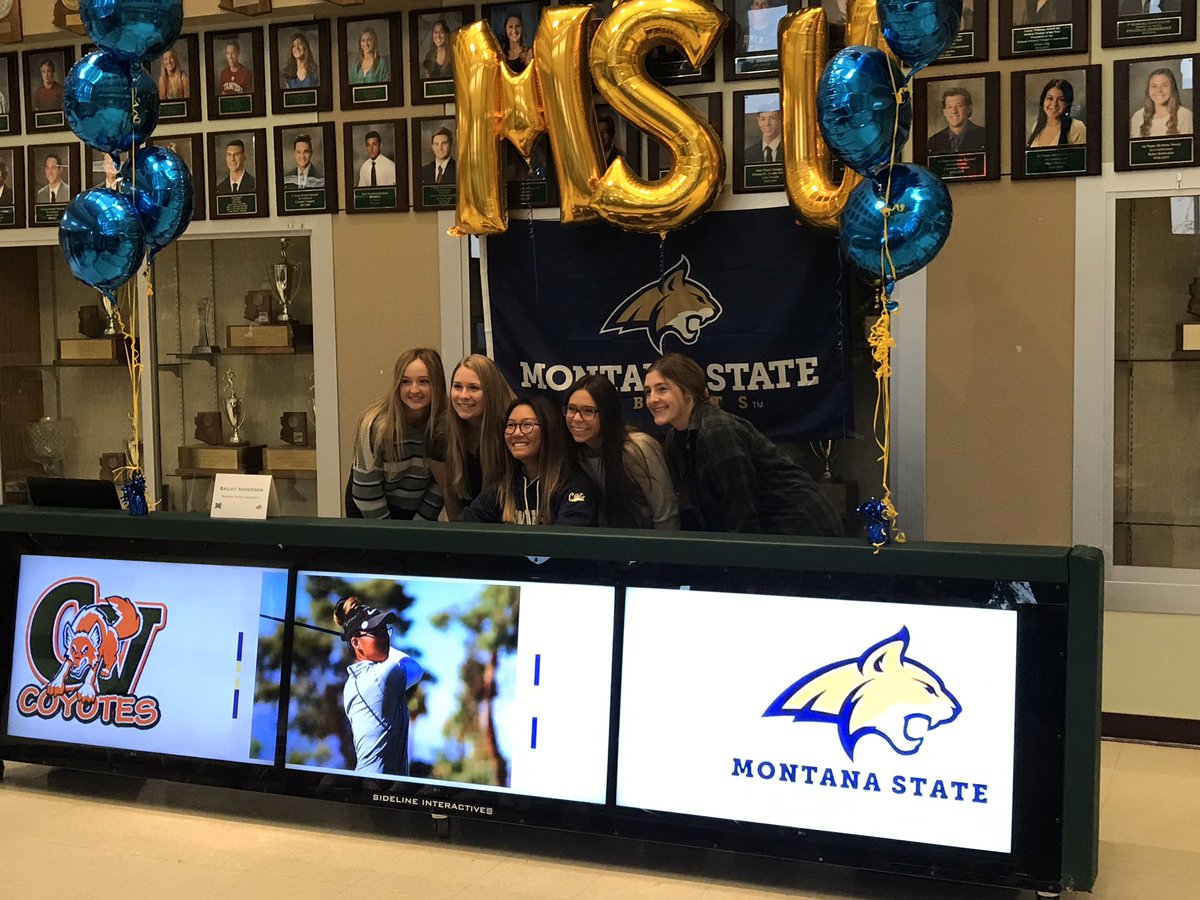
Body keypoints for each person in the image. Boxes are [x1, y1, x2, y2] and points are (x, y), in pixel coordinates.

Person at [644, 354, 843, 536]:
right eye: (647, 392)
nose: (652, 399)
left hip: (800, 533)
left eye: (662, 389)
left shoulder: (717, 430)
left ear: (688, 391)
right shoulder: (675, 438)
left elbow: (741, 515)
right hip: (766, 538)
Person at [460, 395, 597, 526]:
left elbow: (564, 544)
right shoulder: (501, 491)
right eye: (511, 425)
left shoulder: (573, 487)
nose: (517, 433)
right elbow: (460, 533)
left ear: (548, 430)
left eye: (527, 425)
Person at [564, 374, 678, 530]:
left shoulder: (636, 448)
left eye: (588, 411)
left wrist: (661, 552)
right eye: (571, 409)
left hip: (651, 545)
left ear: (607, 413)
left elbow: (666, 514)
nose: (576, 418)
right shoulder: (578, 453)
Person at [347, 348, 446, 520]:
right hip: (369, 507)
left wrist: (419, 529)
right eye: (405, 382)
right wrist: (389, 538)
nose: (414, 390)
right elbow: (366, 492)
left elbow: (440, 485)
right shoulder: (376, 426)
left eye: (424, 382)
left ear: (437, 384)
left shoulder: (445, 426)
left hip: (416, 509)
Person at [333, 597, 423, 776]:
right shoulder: (383, 676)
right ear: (356, 643)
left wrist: (357, 636)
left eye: (385, 631)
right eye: (375, 633)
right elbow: (415, 668)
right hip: (381, 788)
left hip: (369, 782)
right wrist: (390, 650)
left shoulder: (352, 683)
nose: (384, 638)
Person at [429, 354, 516, 519]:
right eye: (457, 387)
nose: (463, 396)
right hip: (468, 523)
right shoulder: (441, 435)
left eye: (474, 388)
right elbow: (451, 499)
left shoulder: (512, 429)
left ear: (491, 391)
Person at [1130, 67, 1194, 138]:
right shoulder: (1137, 117)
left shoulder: (1185, 115)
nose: (1159, 90)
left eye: (1164, 85)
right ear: (1148, 90)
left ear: (1172, 88)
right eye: (1154, 86)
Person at [1027, 78, 1086, 147]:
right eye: (1050, 98)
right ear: (1043, 101)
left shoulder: (1077, 127)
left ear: (1068, 103)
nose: (1054, 104)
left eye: (1061, 100)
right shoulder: (1037, 125)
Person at [928, 87, 986, 154]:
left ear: (969, 109)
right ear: (944, 112)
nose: (954, 111)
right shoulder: (934, 141)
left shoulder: (983, 136)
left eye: (959, 106)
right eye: (949, 107)